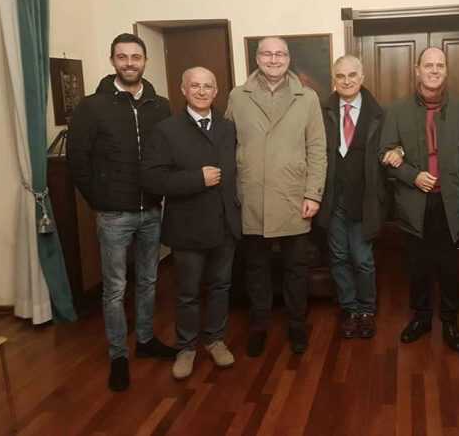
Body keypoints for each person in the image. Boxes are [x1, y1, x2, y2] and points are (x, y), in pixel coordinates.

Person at [67, 33, 176, 392]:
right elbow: (77, 161)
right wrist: (100, 199)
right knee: (115, 288)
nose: (130, 63)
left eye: (136, 57)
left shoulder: (160, 106)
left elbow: (167, 154)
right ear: (113, 60)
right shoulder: (92, 106)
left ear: (145, 61)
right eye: (122, 57)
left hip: (152, 210)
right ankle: (118, 355)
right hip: (114, 214)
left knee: (148, 280)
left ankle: (145, 340)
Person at [225, 36, 327, 356]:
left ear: (288, 58)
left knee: (296, 268)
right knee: (256, 268)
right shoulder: (238, 96)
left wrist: (313, 193)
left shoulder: (307, 97)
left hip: (293, 197)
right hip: (251, 196)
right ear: (257, 58)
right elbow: (227, 145)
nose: (273, 59)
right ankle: (259, 325)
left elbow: (317, 149)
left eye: (280, 54)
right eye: (267, 54)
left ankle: (296, 324)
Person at [141, 67, 241, 379]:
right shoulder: (166, 130)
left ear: (216, 92)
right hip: (187, 227)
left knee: (221, 286)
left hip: (225, 224)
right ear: (183, 90)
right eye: (194, 86)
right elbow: (153, 179)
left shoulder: (228, 128)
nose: (201, 91)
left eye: (207, 86)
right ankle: (186, 347)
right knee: (188, 292)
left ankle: (215, 340)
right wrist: (197, 178)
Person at [379, 47, 459, 352]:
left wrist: (452, 175)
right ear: (417, 70)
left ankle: (450, 321)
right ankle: (421, 318)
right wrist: (412, 176)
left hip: (449, 202)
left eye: (440, 65)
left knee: (448, 266)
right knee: (417, 265)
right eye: (429, 65)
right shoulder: (397, 110)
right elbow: (386, 155)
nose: (434, 70)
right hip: (413, 202)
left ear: (446, 70)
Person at [315, 55, 385, 339]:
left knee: (363, 259)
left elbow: (392, 146)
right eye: (340, 76)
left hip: (364, 200)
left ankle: (367, 310)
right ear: (334, 79)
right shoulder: (322, 111)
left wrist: (398, 151)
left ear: (362, 77)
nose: (346, 81)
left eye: (352, 75)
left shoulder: (379, 113)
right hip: (332, 199)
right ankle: (349, 308)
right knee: (339, 256)